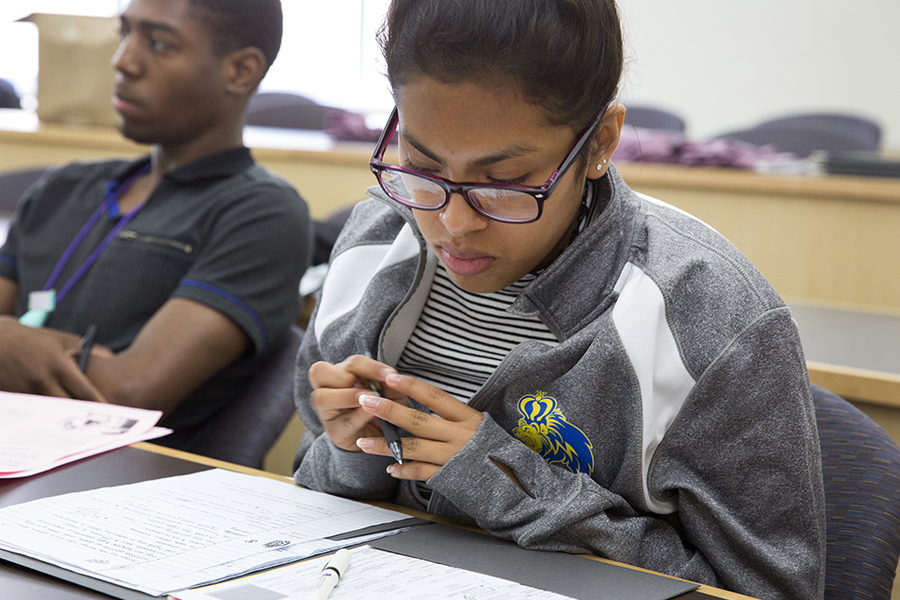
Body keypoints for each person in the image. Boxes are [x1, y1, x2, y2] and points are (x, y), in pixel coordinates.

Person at [292, 0, 825, 597]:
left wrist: (501, 479)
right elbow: (319, 495)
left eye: (505, 183)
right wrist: (357, 449)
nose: (453, 223)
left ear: (600, 142)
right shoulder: (375, 241)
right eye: (421, 167)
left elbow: (769, 591)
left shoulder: (710, 317)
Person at [0, 0, 311, 451]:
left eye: (159, 43)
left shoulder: (262, 213)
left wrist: (12, 341)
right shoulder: (62, 187)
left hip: (122, 487)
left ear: (241, 70)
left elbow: (127, 394)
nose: (123, 60)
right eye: (124, 33)